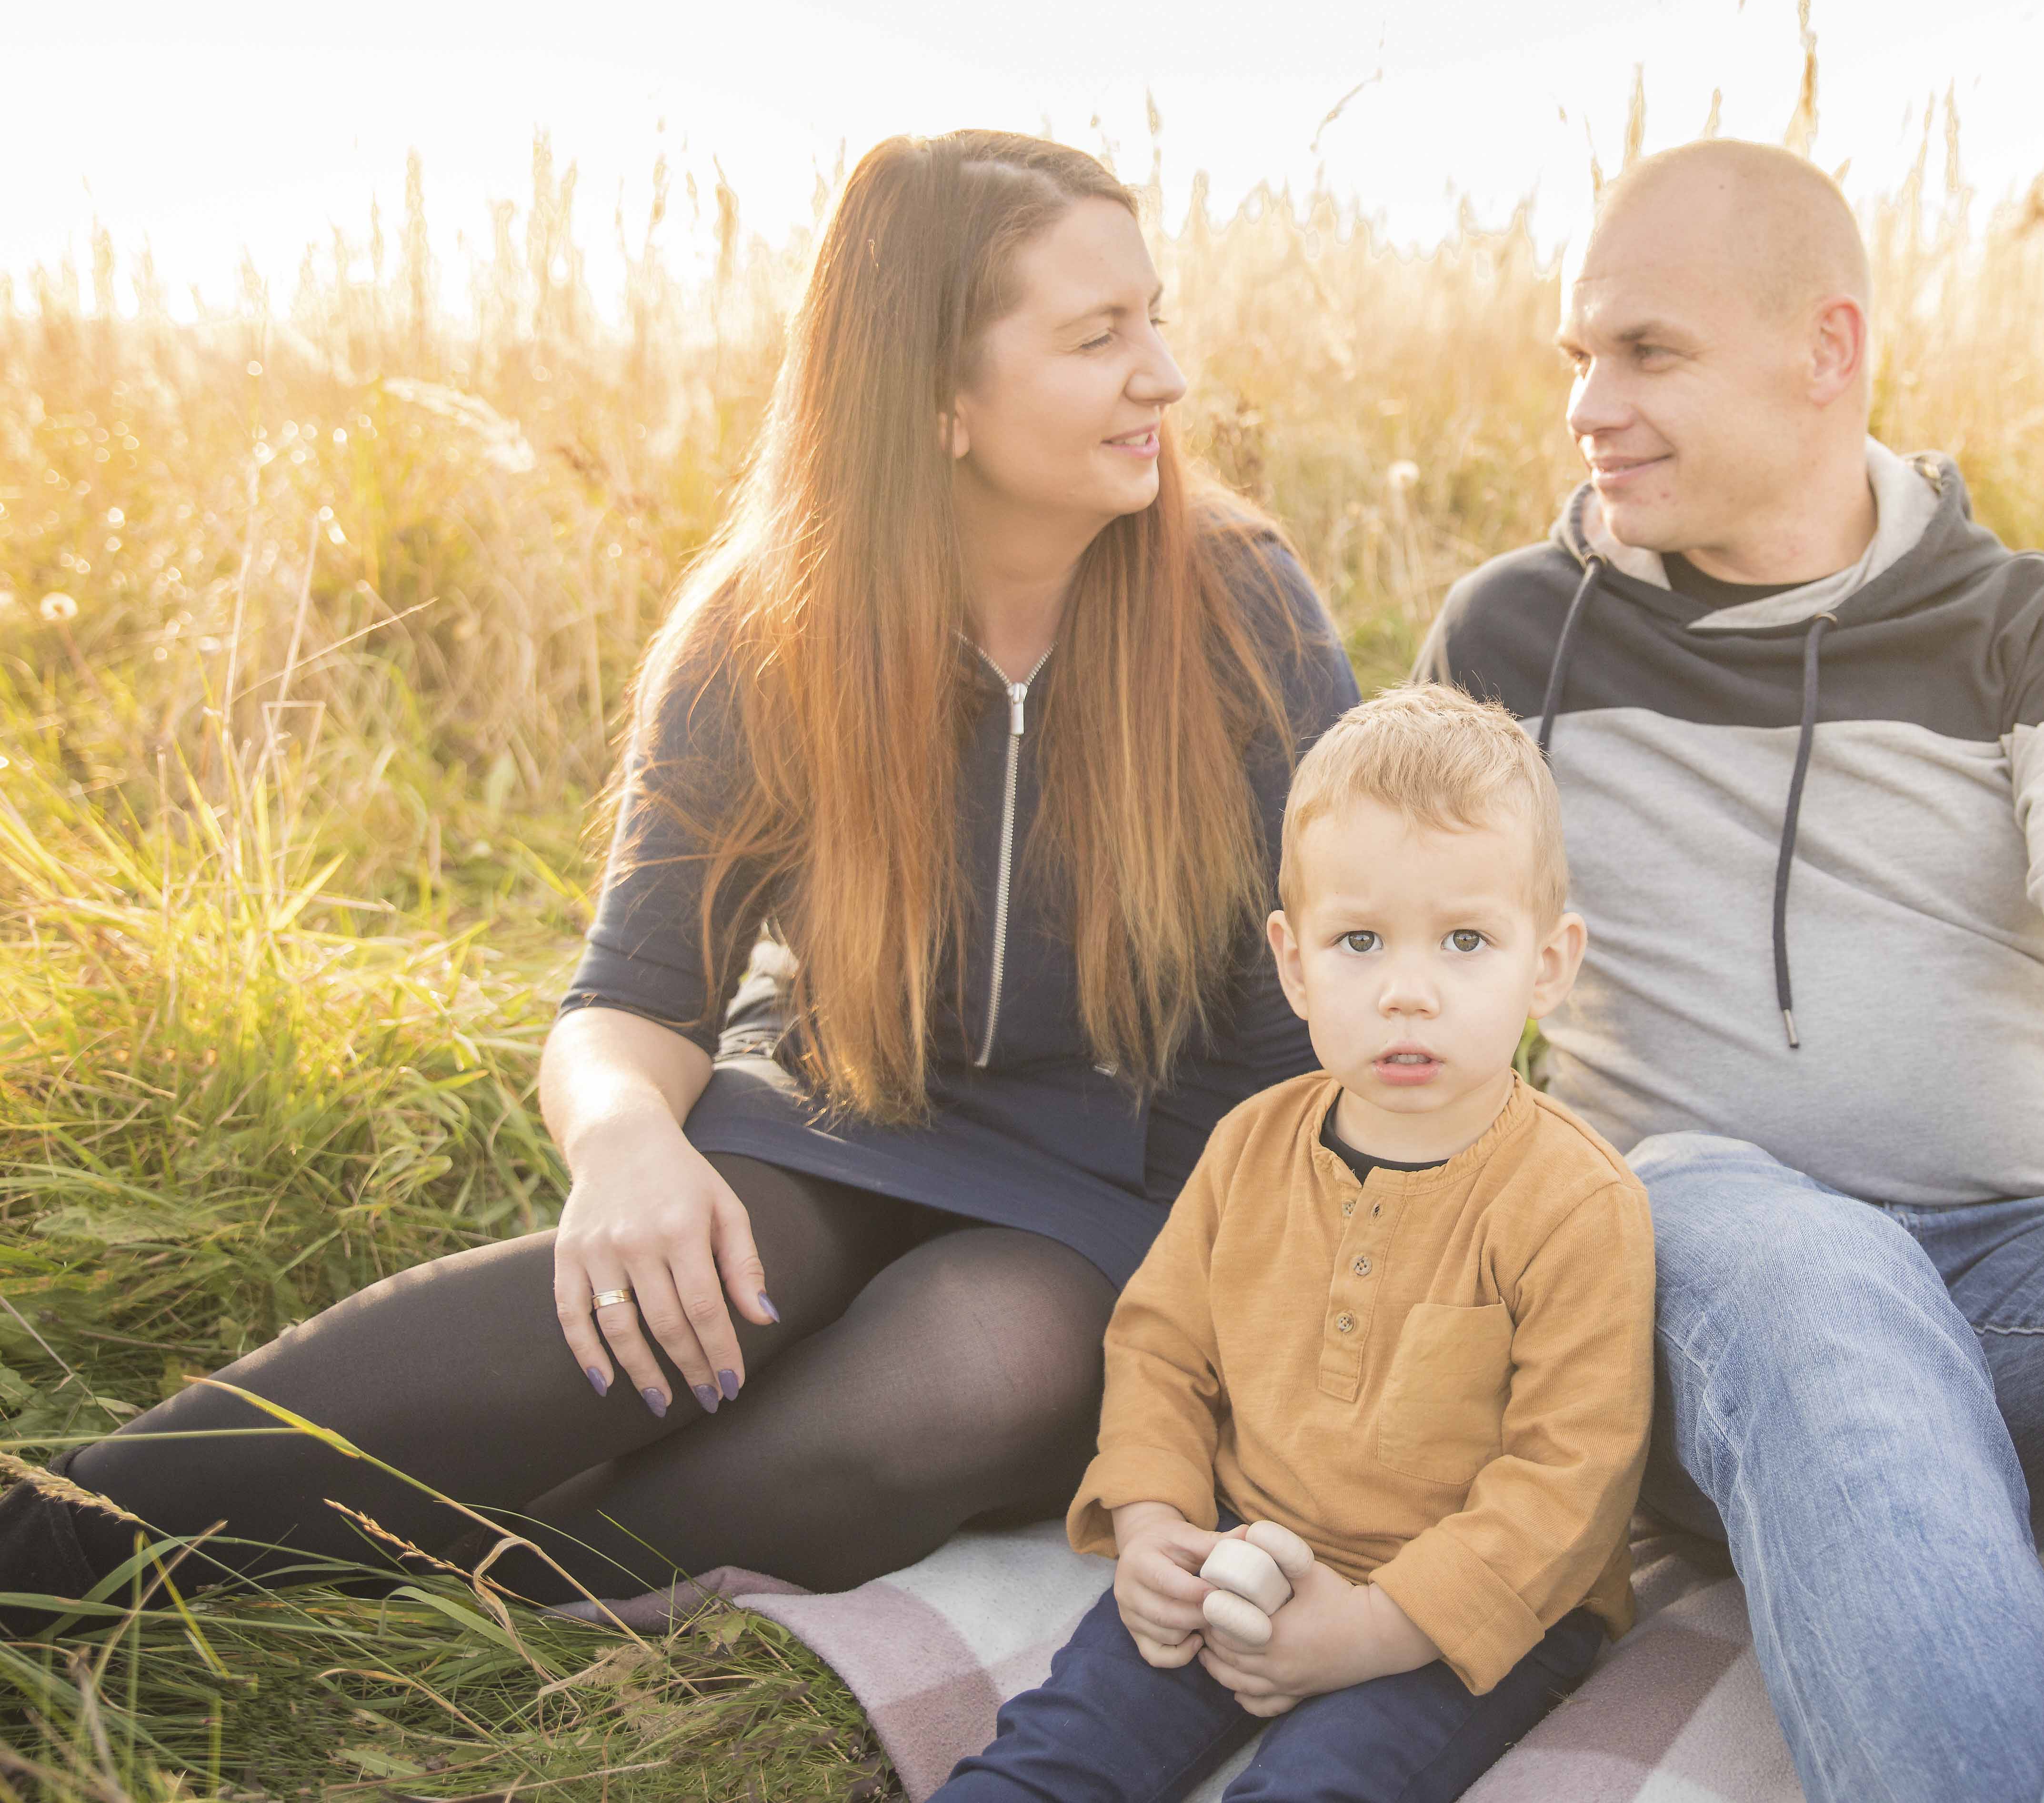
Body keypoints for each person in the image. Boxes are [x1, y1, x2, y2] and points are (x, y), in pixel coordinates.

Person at [0, 131, 1361, 1623]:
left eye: (1153, 317)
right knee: (652, 1297)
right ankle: (48, 1548)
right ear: (936, 397)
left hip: (1133, 1179)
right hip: (837, 1118)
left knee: (983, 1365)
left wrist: (1258, 1314)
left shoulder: (1243, 610)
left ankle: (489, 1590)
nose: (1165, 374)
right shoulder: (770, 625)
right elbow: (631, 996)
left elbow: (1312, 1009)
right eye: (1100, 337)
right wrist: (628, 1142)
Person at [1415, 140, 2044, 1803]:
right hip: (1699, 1282)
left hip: (2015, 1274)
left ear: (1827, 350)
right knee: (1794, 1252)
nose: (1589, 406)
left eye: (1649, 352)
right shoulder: (1511, 637)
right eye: (1579, 356)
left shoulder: (2038, 628)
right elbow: (1391, 937)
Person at [931, 684, 1655, 1803]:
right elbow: (1162, 1349)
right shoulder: (1250, 1148)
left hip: (1466, 1609)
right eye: (1359, 941)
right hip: (1244, 1545)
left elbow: (1570, 1484)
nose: (1408, 993)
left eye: (1466, 941)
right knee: (1057, 1751)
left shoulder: (1576, 1204)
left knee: (1324, 1783)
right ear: (1294, 962)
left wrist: (1374, 1630)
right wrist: (1155, 1524)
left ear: (1549, 965)